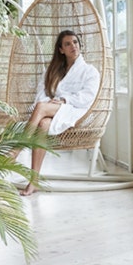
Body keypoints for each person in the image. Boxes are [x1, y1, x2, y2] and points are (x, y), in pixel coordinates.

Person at [19, 29, 100, 195]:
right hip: (53, 108)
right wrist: (50, 102)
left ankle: (16, 147)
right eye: (68, 44)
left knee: (41, 110)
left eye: (75, 42)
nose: (73, 46)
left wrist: (64, 100)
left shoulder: (90, 71)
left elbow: (87, 97)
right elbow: (41, 91)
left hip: (75, 110)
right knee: (43, 122)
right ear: (61, 50)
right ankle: (34, 181)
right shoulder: (53, 71)